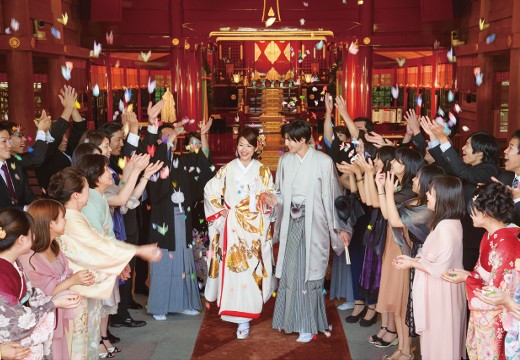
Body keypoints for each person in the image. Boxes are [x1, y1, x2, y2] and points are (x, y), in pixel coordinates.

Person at [47, 167, 162, 359]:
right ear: (76, 195)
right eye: (86, 189)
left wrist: (119, 265)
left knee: (85, 338)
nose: (89, 193)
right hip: (76, 289)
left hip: (82, 286)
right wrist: (138, 250)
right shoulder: (71, 218)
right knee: (78, 343)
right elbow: (97, 245)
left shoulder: (75, 216)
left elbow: (98, 245)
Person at [267, 120, 352, 343]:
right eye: (285, 139)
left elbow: (334, 196)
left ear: (303, 139)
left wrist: (340, 227)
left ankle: (307, 323)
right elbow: (280, 193)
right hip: (291, 222)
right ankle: (290, 320)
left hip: (315, 223)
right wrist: (272, 199)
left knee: (309, 273)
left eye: (289, 139)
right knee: (290, 270)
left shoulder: (323, 161)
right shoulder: (285, 161)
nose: (286, 144)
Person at [203, 127, 275, 339]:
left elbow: (269, 195)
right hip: (232, 228)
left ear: (256, 148)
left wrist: (268, 200)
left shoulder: (262, 170)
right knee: (234, 269)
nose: (244, 149)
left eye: (249, 146)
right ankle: (238, 318)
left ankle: (247, 314)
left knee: (250, 270)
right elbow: (210, 190)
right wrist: (221, 210)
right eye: (241, 144)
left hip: (253, 231)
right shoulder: (227, 168)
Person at [442, 181, 520, 360]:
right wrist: (468, 276)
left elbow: (497, 296)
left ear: (485, 213)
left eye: (473, 210)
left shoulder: (506, 246)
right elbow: (482, 273)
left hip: (496, 319)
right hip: (484, 315)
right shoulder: (489, 236)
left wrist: (468, 280)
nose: (469, 214)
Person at [393, 176, 467, 360]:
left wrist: (411, 262)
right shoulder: (449, 222)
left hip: (441, 292)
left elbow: (439, 268)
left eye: (431, 193)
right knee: (441, 338)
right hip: (445, 290)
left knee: (440, 340)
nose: (426, 194)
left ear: (442, 198)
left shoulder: (445, 228)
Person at [0, 208, 81, 360]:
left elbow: (30, 296)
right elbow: (17, 324)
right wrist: (53, 304)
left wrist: (52, 300)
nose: (36, 236)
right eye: (32, 233)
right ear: (22, 240)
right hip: (10, 347)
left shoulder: (13, 262)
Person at [19, 199, 95, 360]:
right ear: (50, 224)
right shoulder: (30, 257)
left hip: (60, 313)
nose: (66, 221)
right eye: (62, 218)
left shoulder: (54, 247)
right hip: (44, 320)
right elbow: (41, 295)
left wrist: (79, 279)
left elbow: (65, 276)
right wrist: (73, 280)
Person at [146, 122, 202, 320]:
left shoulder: (182, 162)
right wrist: (164, 146)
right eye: (165, 136)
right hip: (164, 220)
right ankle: (159, 306)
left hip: (181, 218)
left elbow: (197, 179)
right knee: (164, 261)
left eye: (173, 135)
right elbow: (154, 191)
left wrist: (201, 139)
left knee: (183, 260)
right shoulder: (154, 163)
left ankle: (184, 302)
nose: (171, 139)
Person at [0, 123, 35, 210]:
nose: (9, 145)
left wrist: (41, 206)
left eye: (9, 140)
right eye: (4, 141)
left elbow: (28, 197)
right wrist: (26, 209)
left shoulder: (15, 164)